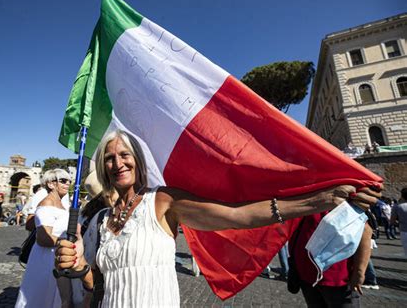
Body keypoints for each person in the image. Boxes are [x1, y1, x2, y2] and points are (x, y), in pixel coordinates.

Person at [55, 130, 381, 307]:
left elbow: (237, 215)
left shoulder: (163, 200)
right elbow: (98, 284)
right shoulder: (102, 220)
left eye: (124, 155)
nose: (117, 163)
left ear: (137, 160)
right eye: (109, 158)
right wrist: (81, 266)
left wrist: (319, 200)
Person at [15, 169, 73, 308]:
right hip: (46, 257)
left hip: (57, 255)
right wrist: (66, 244)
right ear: (51, 184)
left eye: (69, 181)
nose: (67, 184)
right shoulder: (46, 204)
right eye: (63, 181)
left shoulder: (61, 204)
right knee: (42, 298)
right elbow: (43, 238)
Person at [290, 212, 372, 307]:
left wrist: (359, 272)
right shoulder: (305, 200)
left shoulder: (342, 202)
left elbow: (364, 231)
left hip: (338, 279)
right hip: (307, 276)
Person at [391, 188, 407, 256]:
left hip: (404, 231)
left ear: (402, 195)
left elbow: (392, 221)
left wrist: (399, 224)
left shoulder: (397, 206)